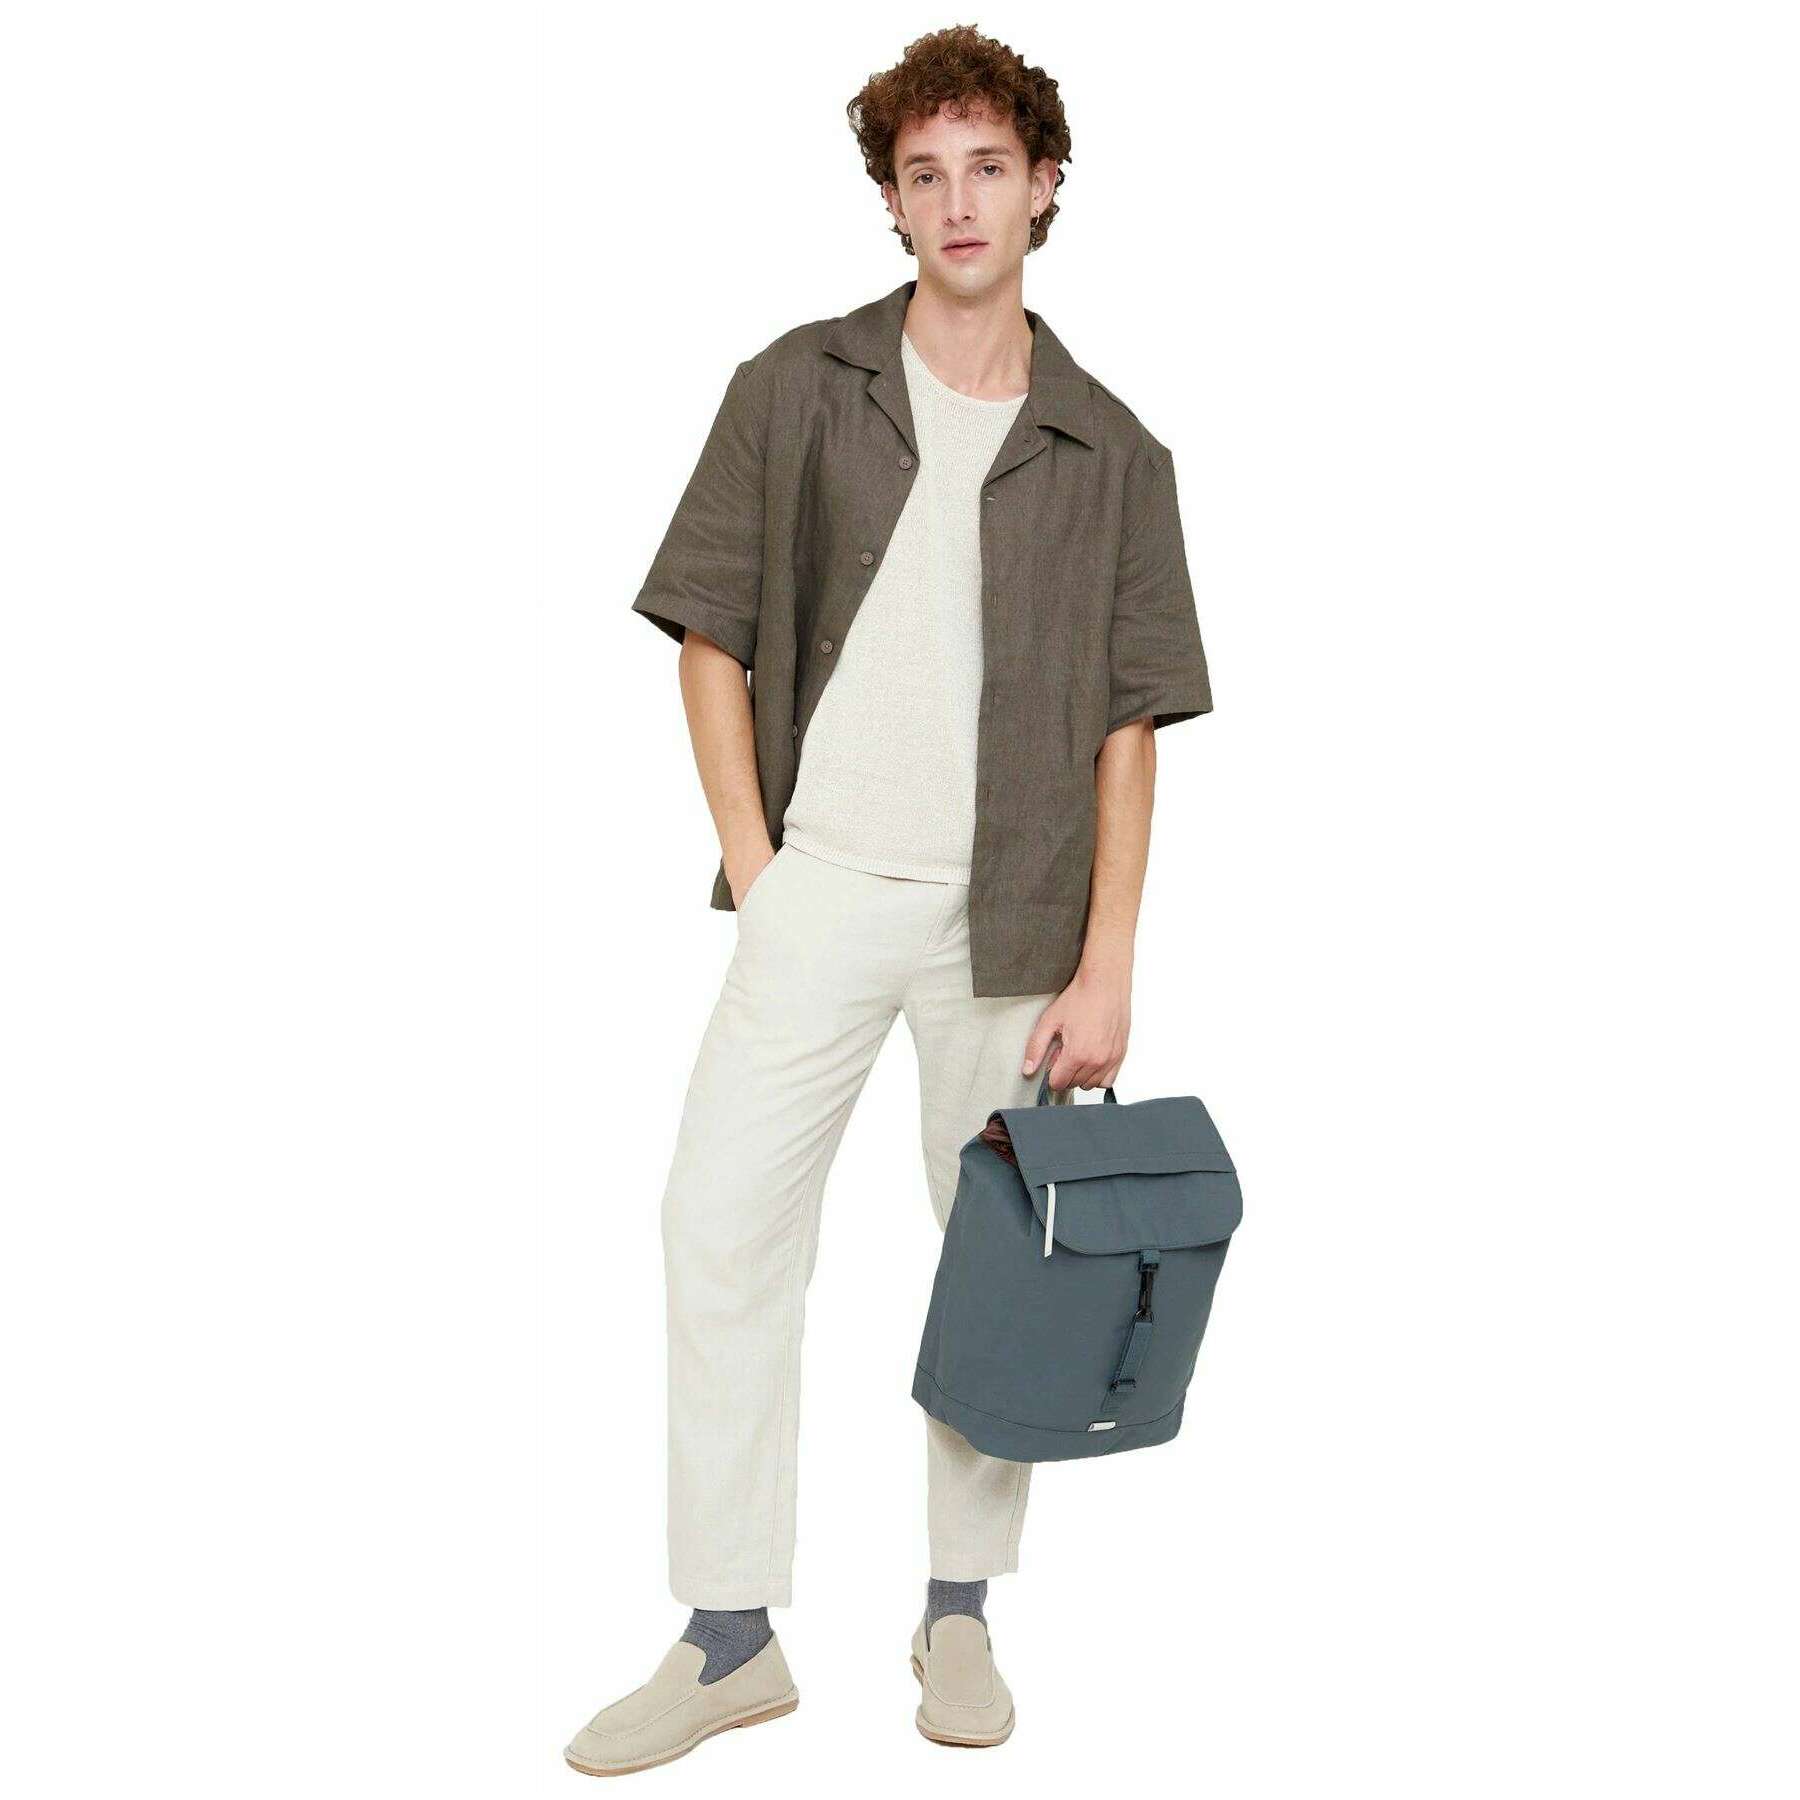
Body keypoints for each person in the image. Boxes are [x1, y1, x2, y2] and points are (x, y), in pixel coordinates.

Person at [565, 24, 1212, 1776]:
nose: (958, 201)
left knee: (997, 1266)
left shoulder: (1115, 450)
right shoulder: (798, 386)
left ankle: (958, 1611)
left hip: (1016, 917)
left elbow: (1131, 726)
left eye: (989, 167)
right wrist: (762, 872)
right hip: (823, 889)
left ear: (1045, 185)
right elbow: (709, 633)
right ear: (892, 200)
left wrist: (1110, 962)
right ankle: (728, 1638)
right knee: (719, 1225)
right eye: (925, 174)